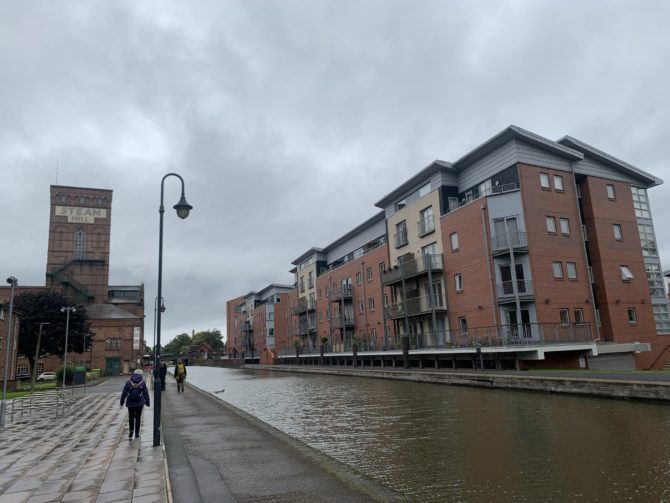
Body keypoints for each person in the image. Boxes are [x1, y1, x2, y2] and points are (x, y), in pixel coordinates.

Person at [120, 369, 150, 439]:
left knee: (131, 417)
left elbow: (124, 393)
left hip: (130, 403)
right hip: (139, 403)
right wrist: (147, 402)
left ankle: (131, 430)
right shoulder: (142, 382)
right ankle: (137, 433)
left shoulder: (128, 382)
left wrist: (121, 402)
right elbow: (146, 393)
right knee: (138, 418)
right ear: (140, 374)